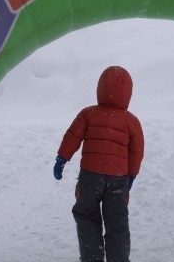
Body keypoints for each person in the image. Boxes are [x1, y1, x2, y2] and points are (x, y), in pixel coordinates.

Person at [53, 66, 144, 262]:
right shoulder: (132, 121)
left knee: (87, 217)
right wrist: (131, 175)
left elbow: (73, 136)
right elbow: (137, 151)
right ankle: (118, 259)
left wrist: (62, 158)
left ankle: (92, 257)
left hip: (90, 178)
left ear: (100, 88)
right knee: (117, 222)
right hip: (117, 179)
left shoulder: (88, 114)